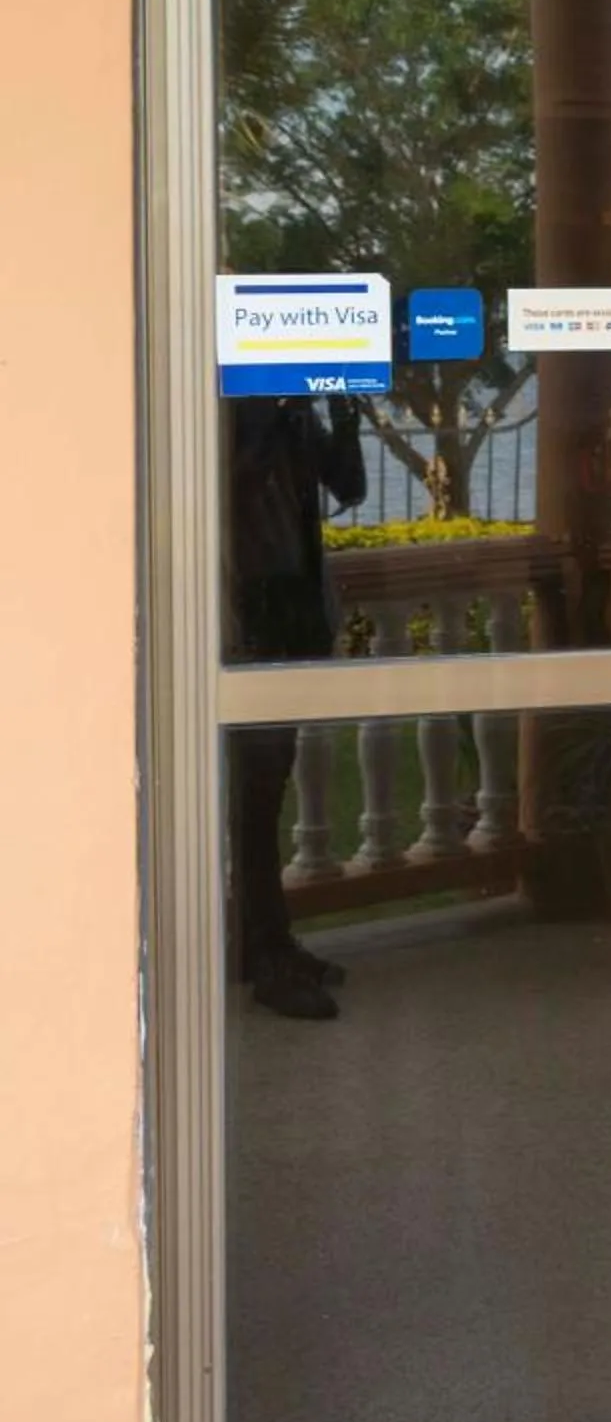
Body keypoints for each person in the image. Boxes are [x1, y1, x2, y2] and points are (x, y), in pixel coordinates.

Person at [225, 392, 369, 1021]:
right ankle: (266, 956)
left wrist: (343, 417)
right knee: (254, 802)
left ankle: (267, 945)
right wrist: (279, 419)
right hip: (249, 624)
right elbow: (234, 484)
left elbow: (351, 487)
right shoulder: (231, 411)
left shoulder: (295, 409)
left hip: (290, 619)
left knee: (267, 794)